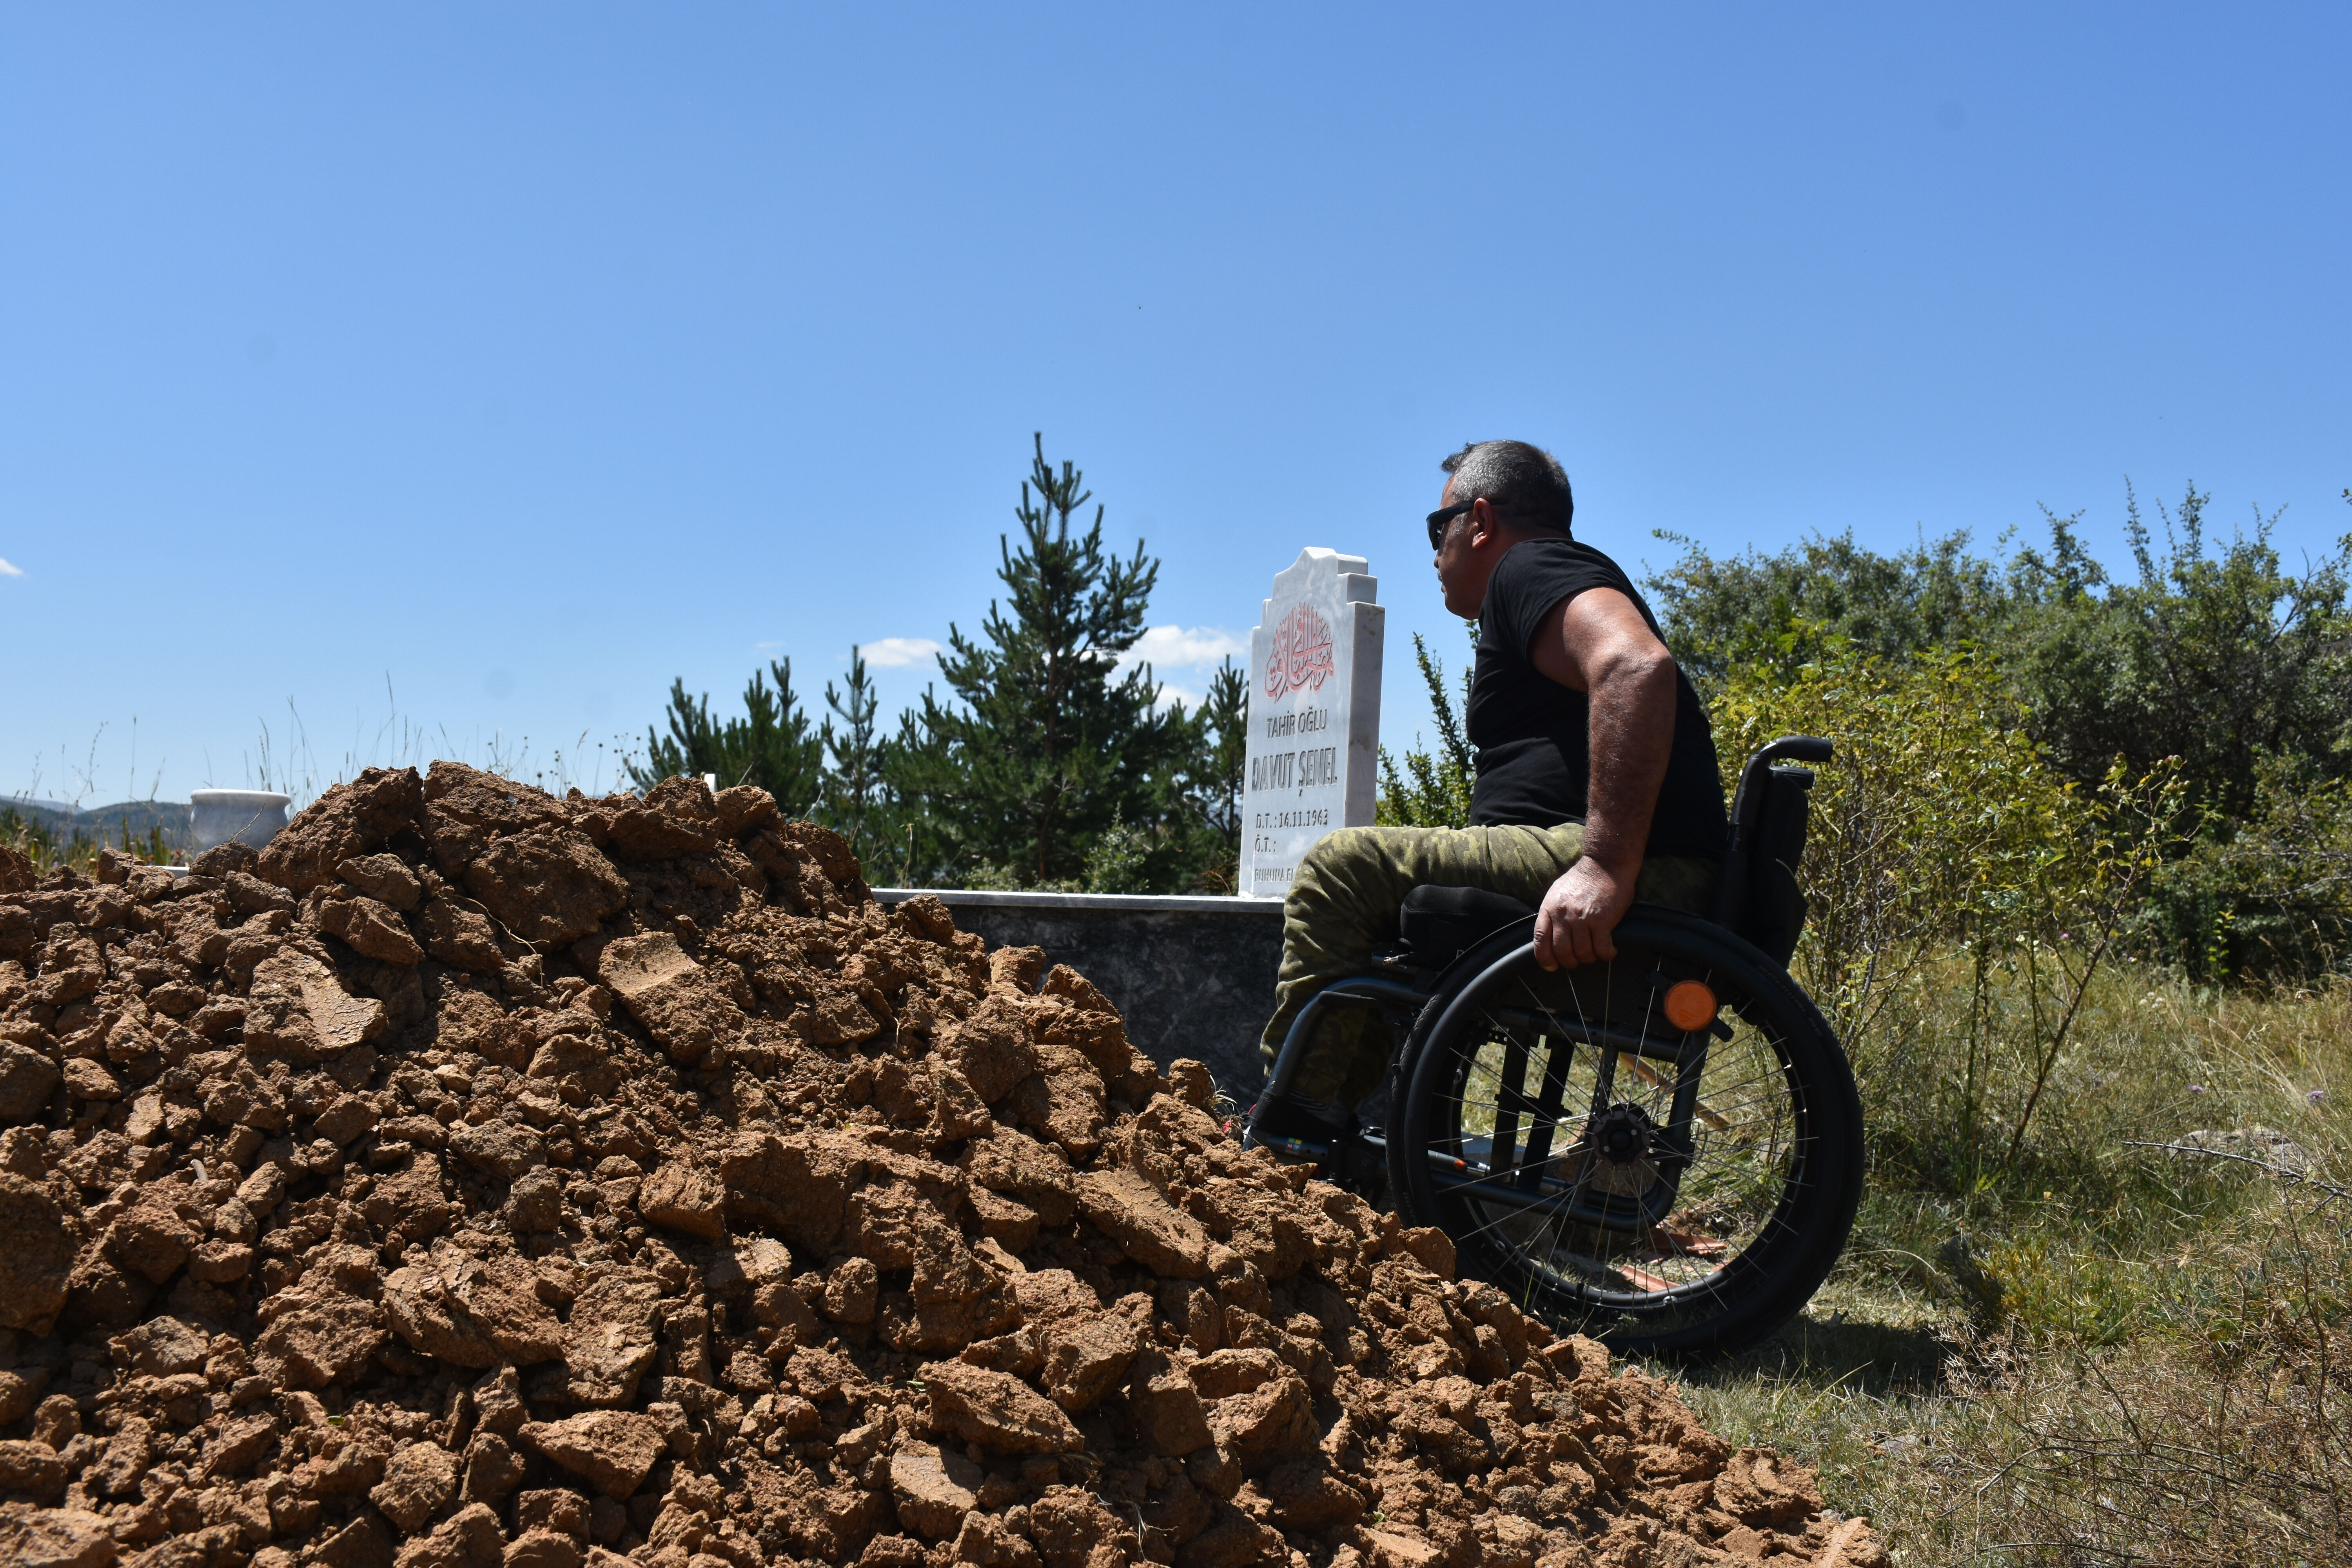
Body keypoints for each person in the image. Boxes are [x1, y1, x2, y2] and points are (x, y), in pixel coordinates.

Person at [1255, 439, 1728, 1137]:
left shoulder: (1531, 566)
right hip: (1626, 860)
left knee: (1340, 868)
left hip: (1647, 873)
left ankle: (1292, 1129)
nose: (1434, 551)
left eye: (1435, 529)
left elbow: (1635, 666)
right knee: (1388, 882)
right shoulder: (1533, 585)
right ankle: (1329, 1126)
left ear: (1479, 521)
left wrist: (1604, 866)